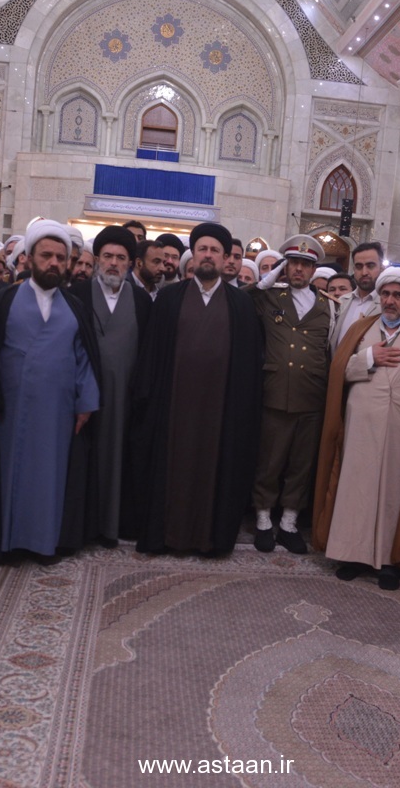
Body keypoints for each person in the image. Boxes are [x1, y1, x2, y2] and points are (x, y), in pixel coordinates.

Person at [130, 222, 261, 555]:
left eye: (215, 250)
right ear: (193, 254)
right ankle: (167, 536)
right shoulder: (169, 298)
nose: (208, 255)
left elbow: (249, 366)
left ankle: (208, 539)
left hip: (221, 410)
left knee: (213, 470)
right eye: (202, 249)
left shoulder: (241, 304)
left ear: (225, 258)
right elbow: (152, 353)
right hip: (173, 406)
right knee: (172, 468)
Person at [313, 267, 400, 590]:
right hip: (360, 426)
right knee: (356, 489)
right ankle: (351, 556)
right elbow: (338, 371)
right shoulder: (361, 329)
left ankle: (388, 561)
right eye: (385, 294)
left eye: (398, 295)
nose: (390, 301)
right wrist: (369, 357)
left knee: (393, 493)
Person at [0, 220, 99, 558]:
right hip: (10, 408)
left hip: (57, 410)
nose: (53, 263)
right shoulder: (4, 300)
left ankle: (43, 543)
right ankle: (7, 543)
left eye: (60, 257)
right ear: (29, 258)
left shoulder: (75, 306)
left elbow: (84, 357)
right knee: (9, 473)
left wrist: (86, 402)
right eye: (46, 256)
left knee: (49, 476)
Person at [246, 236, 332, 555]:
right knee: (270, 461)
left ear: (313, 270)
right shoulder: (271, 297)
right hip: (276, 393)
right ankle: (263, 519)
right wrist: (268, 278)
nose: (299, 269)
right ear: (286, 266)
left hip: (311, 396)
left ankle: (289, 523)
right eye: (293, 262)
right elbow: (242, 300)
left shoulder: (328, 306)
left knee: (301, 463)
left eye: (305, 265)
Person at [68, 226, 151, 546]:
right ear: (97, 259)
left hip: (125, 402)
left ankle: (112, 526)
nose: (113, 263)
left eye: (120, 257)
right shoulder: (77, 295)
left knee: (119, 461)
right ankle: (83, 527)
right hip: (83, 399)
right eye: (107, 256)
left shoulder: (142, 301)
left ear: (130, 263)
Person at [330, 242, 383, 350]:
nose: (364, 272)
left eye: (370, 266)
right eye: (359, 267)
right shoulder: (342, 302)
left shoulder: (387, 305)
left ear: (381, 268)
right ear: (354, 269)